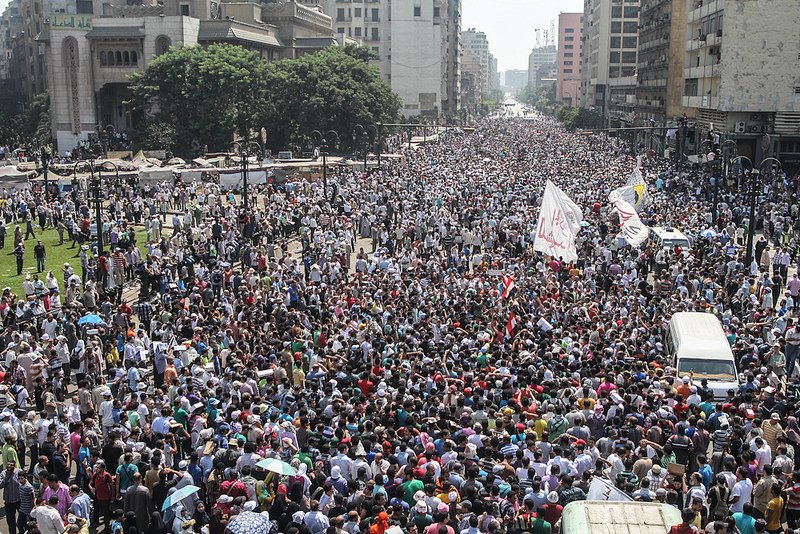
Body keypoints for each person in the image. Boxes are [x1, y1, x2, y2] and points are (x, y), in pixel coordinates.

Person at [0, 460, 23, 534]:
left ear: (14, 466)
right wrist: (6, 478)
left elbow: (24, 482)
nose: (9, 466)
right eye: (8, 464)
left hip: (19, 500)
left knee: (22, 519)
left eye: (11, 465)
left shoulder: (19, 472)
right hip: (9, 501)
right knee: (10, 521)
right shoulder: (3, 473)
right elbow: (0, 485)